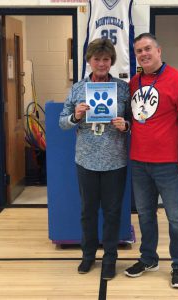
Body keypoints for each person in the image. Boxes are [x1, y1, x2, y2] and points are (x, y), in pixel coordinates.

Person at [124, 33, 178, 288]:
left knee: (176, 217)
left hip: (168, 164)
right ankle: (149, 258)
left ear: (159, 50)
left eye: (147, 49)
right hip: (139, 162)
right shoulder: (134, 82)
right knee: (145, 215)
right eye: (138, 51)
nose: (143, 54)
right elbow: (132, 117)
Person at [59, 38, 130, 280]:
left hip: (115, 162)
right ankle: (88, 256)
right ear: (89, 61)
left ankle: (109, 258)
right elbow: (62, 122)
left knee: (112, 212)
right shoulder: (78, 88)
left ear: (111, 61)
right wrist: (76, 116)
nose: (101, 63)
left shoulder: (122, 88)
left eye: (106, 59)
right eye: (97, 59)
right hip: (86, 161)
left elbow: (136, 122)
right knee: (88, 211)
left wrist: (125, 125)